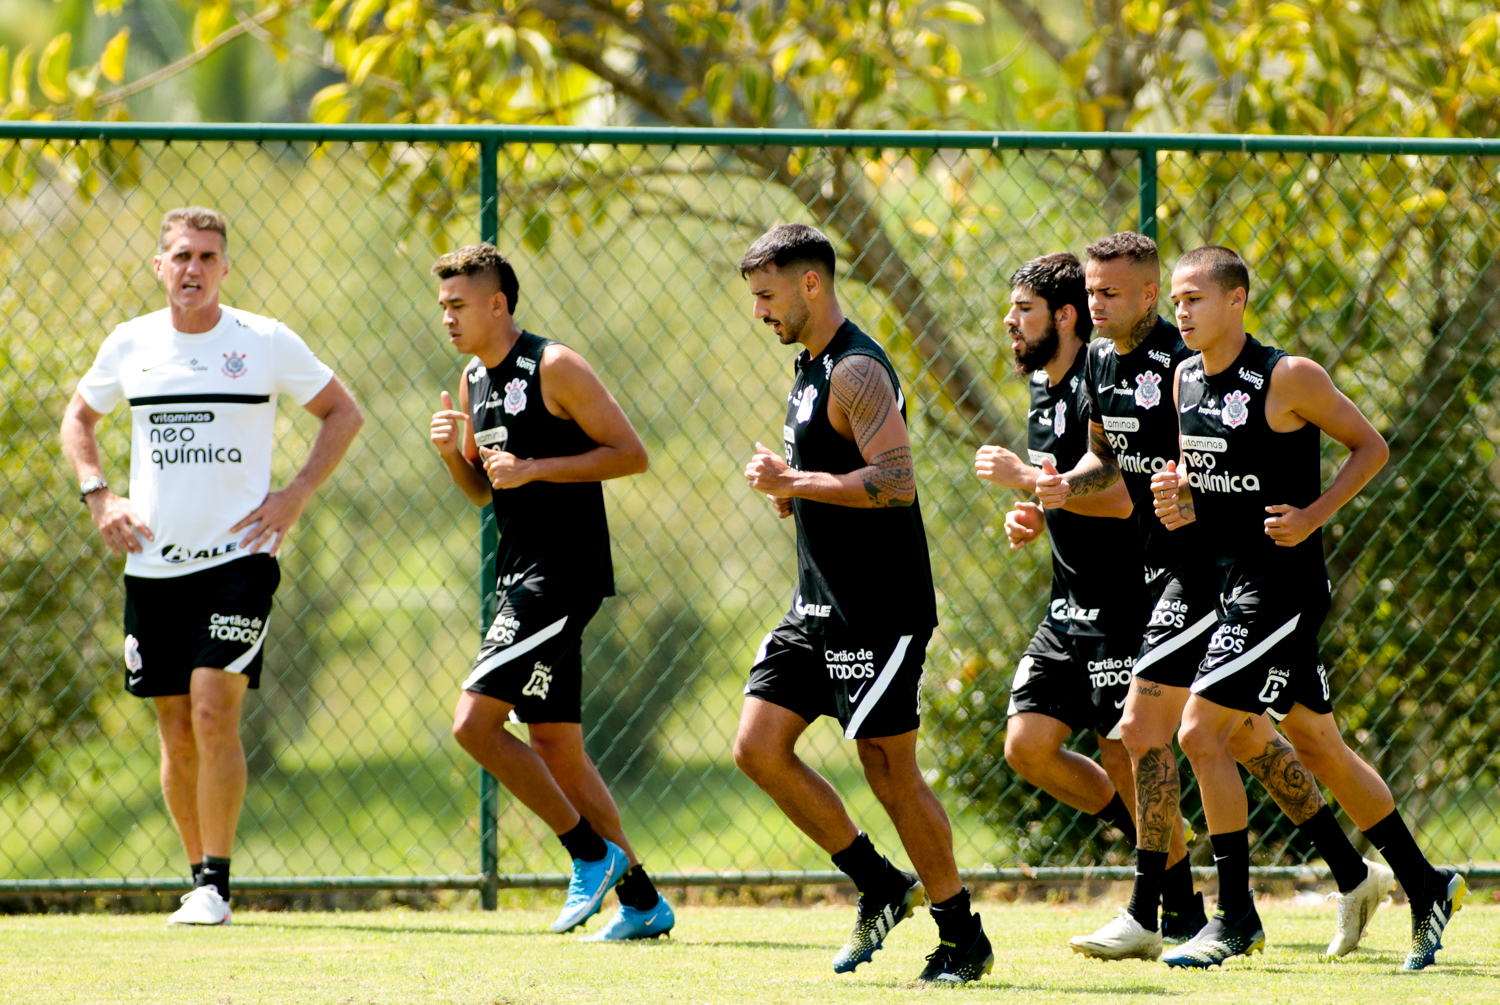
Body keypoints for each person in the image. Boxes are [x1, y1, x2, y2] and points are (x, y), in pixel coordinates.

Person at [1038, 234, 1389, 965]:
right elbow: (1117, 462)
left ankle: (1191, 911)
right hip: (1177, 574)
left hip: (1220, 576)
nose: (1093, 306)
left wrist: (1296, 515)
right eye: (1089, 292)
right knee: (1245, 738)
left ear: (1149, 293)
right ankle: (1350, 874)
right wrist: (1059, 490)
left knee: (1196, 733)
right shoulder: (1100, 362)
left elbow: (1224, 464)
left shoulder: (1193, 362)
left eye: (1108, 293)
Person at [1150, 245, 1466, 971]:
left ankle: (1235, 917)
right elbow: (1200, 480)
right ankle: (1425, 883)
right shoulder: (1183, 379)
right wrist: (1178, 497)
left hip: (1282, 589)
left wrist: (1313, 515)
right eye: (1177, 300)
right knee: (1318, 744)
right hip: (1232, 586)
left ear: (1237, 300)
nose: (1183, 312)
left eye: (1196, 298)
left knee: (1203, 732)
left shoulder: (1288, 376)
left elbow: (1371, 446)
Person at [60, 207, 365, 926]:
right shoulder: (130, 343)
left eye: (207, 256)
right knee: (173, 723)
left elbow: (342, 411)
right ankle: (198, 880)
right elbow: (79, 418)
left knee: (210, 705)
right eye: (181, 256)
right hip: (152, 565)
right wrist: (100, 496)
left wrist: (295, 495)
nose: (192, 268)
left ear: (225, 268)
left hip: (240, 559)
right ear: (159, 268)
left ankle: (218, 885)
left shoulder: (262, 341)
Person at [733, 223, 991, 985]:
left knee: (888, 768)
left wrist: (797, 485)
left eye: (768, 295)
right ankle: (880, 883)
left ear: (811, 284)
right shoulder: (807, 367)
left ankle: (960, 934)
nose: (760, 312)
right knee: (756, 747)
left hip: (880, 607)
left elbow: (896, 479)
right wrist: (795, 491)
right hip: (815, 603)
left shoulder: (856, 369)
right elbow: (837, 477)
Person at [427, 243, 671, 941]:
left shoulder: (555, 366)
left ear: (497, 303)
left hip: (561, 573)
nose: (447, 316)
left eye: (458, 304)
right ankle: (642, 901)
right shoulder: (473, 378)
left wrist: (535, 466)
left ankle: (589, 854)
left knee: (473, 724)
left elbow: (630, 453)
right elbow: (484, 490)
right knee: (556, 742)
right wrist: (454, 454)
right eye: (442, 305)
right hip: (520, 571)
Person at [973, 253, 1178, 890]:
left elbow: (1121, 499)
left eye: (1023, 310)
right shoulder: (1041, 389)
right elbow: (1064, 490)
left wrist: (1030, 481)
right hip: (1068, 604)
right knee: (1027, 747)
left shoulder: (1098, 379)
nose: (1010, 321)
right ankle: (1153, 834)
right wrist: (1034, 512)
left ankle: (1178, 899)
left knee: (1128, 753)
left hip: (1123, 603)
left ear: (1064, 317)